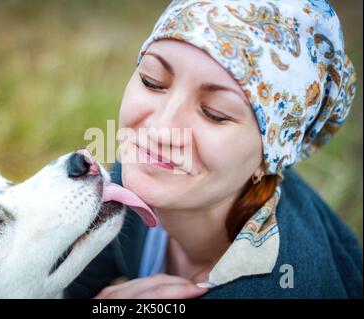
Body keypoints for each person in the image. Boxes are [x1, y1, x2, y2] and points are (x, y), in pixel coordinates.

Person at [65, 0, 362, 298]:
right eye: (152, 82)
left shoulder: (282, 288)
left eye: (214, 113)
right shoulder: (142, 176)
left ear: (270, 156)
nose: (160, 130)